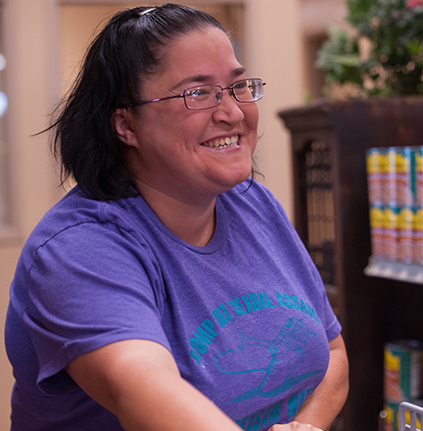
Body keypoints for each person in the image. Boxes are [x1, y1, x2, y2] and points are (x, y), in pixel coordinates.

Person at [4, 4, 348, 431]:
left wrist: (306, 426)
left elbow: (333, 353)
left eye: (238, 86)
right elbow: (144, 392)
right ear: (125, 124)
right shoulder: (77, 249)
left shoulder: (253, 203)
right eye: (198, 93)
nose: (234, 113)